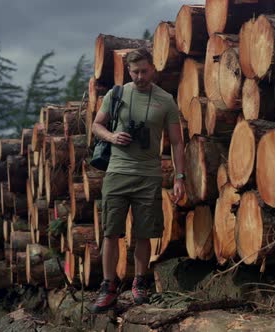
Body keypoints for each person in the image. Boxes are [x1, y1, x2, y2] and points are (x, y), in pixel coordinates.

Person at [89, 48, 185, 312]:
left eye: (144, 71)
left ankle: (139, 283)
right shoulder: (116, 94)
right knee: (111, 231)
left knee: (144, 233)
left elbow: (177, 142)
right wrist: (112, 137)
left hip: (148, 175)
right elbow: (96, 125)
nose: (140, 76)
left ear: (152, 68)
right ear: (129, 71)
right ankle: (108, 287)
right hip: (117, 172)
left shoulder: (165, 100)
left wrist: (179, 177)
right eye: (135, 72)